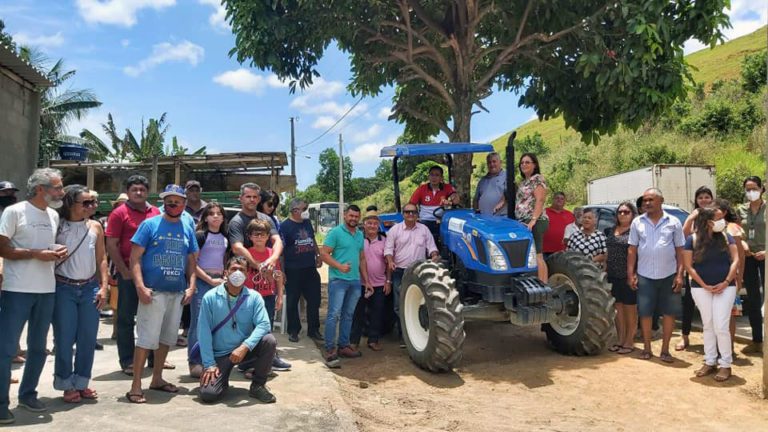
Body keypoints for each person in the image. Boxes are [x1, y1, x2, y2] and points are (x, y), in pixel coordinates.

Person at [0, 168, 66, 424]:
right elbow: (2, 248)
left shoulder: (53, 215)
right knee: (6, 349)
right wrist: (35, 253)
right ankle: (1, 404)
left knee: (38, 348)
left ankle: (28, 394)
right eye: (57, 188)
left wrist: (55, 250)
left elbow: (44, 248)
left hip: (46, 290)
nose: (61, 192)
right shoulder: (14, 212)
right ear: (41, 189)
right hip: (17, 290)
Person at [126, 184, 198, 404]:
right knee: (146, 339)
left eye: (177, 200)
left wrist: (191, 286)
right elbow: (134, 258)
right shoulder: (149, 225)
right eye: (169, 200)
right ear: (163, 202)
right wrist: (140, 286)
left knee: (166, 339)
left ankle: (157, 379)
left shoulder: (187, 227)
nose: (173, 203)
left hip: (176, 293)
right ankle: (135, 386)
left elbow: (191, 261)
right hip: (153, 292)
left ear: (184, 204)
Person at [52, 185, 108, 403]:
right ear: (70, 203)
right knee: (65, 339)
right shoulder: (57, 226)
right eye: (86, 202)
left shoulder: (95, 226)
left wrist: (104, 286)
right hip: (63, 287)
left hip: (89, 288)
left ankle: (82, 382)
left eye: (93, 202)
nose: (92, 206)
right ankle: (66, 383)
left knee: (87, 338)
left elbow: (102, 259)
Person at [197, 256, 277, 404]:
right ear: (225, 272)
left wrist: (245, 346)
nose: (237, 273)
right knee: (209, 395)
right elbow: (203, 332)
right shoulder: (210, 297)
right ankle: (221, 379)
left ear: (247, 275)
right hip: (220, 354)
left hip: (244, 350)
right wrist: (209, 364)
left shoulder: (254, 297)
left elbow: (264, 324)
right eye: (234, 269)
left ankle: (258, 385)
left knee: (269, 341)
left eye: (242, 270)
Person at [105, 175, 161, 375]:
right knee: (126, 319)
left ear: (147, 192)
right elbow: (111, 244)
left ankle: (155, 359)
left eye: (142, 189)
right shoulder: (119, 213)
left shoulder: (155, 212)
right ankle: (127, 360)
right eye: (134, 189)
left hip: (153, 274)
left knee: (154, 317)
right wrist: (123, 270)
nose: (138, 192)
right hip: (128, 274)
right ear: (128, 192)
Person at [627, 188, 685, 363]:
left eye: (651, 200)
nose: (647, 203)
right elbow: (632, 250)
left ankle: (665, 350)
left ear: (661, 201)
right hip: (645, 276)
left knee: (669, 313)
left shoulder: (673, 222)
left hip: (669, 275)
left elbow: (680, 250)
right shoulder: (637, 222)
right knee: (645, 313)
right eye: (645, 200)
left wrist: (680, 275)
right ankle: (646, 348)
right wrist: (631, 273)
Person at [683, 207, 739, 381]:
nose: (723, 221)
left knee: (721, 326)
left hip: (726, 288)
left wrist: (726, 282)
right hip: (701, 289)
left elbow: (736, 259)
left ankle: (725, 364)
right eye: (719, 218)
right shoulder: (692, 240)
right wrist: (704, 285)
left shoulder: (725, 237)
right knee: (708, 324)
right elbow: (688, 266)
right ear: (708, 222)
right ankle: (710, 360)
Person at [319, 205, 371, 367]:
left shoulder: (360, 235)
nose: (353, 219)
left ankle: (344, 346)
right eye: (351, 216)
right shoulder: (335, 233)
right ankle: (330, 348)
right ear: (344, 215)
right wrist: (339, 266)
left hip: (355, 281)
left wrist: (366, 281)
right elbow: (324, 253)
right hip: (338, 280)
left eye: (356, 216)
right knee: (334, 314)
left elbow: (362, 259)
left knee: (349, 314)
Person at [383, 202, 440, 345]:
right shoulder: (395, 230)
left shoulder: (424, 230)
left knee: (418, 303)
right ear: (403, 214)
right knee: (398, 305)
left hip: (419, 272)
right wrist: (390, 261)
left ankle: (419, 334)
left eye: (413, 212)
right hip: (400, 271)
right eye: (408, 212)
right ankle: (404, 335)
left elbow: (432, 248)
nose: (410, 215)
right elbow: (388, 250)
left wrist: (434, 255)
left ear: (417, 214)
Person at [244, 219, 290, 372]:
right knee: (250, 328)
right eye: (255, 234)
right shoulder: (247, 253)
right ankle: (249, 361)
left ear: (268, 236)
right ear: (250, 236)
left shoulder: (272, 254)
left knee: (267, 328)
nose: (259, 238)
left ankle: (268, 359)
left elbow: (278, 276)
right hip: (249, 298)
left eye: (262, 234)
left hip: (268, 296)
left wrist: (280, 296)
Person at [189, 202, 229, 378]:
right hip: (203, 281)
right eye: (211, 213)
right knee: (198, 323)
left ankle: (211, 361)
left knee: (217, 323)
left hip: (220, 281)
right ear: (205, 217)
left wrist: (223, 278)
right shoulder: (200, 236)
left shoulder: (226, 237)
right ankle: (194, 362)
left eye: (218, 213)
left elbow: (224, 260)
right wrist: (208, 280)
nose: (215, 216)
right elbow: (191, 263)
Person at [279, 198, 322, 343]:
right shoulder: (284, 226)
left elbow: (313, 239)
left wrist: (317, 254)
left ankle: (313, 330)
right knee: (292, 301)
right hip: (293, 269)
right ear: (295, 210)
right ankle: (294, 330)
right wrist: (283, 271)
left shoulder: (307, 223)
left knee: (314, 300)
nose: (306, 212)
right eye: (304, 209)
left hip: (310, 268)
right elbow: (281, 251)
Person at [676, 186, 714, 351]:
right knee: (689, 304)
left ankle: (713, 341)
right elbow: (683, 235)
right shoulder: (693, 218)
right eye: (700, 198)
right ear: (696, 200)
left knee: (713, 306)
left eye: (707, 197)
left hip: (714, 266)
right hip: (694, 267)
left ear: (712, 199)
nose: (704, 200)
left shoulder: (717, 216)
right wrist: (691, 218)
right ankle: (685, 337)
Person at [351, 210, 391, 351]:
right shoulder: (357, 239)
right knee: (358, 313)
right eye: (369, 223)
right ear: (364, 224)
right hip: (360, 283)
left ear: (378, 225)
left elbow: (388, 263)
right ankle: (354, 341)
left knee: (377, 313)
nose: (372, 226)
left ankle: (373, 340)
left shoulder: (385, 241)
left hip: (380, 284)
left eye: (375, 223)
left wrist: (388, 281)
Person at [604, 202, 638, 355]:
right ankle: (620, 339)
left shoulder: (635, 231)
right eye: (620, 212)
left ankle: (629, 341)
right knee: (617, 309)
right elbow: (608, 252)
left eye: (626, 212)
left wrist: (634, 274)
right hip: (612, 274)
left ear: (632, 214)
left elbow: (638, 254)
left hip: (628, 275)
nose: (623, 214)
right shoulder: (611, 230)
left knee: (630, 308)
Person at [738, 176, 765, 353]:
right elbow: (735, 230)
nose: (751, 192)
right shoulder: (740, 209)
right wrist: (743, 243)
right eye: (748, 189)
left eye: (754, 188)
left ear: (762, 188)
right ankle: (757, 339)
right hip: (748, 257)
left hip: (766, 256)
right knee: (754, 300)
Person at [228, 183, 283, 271]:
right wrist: (257, 265)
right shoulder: (236, 222)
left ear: (259, 199)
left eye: (255, 197)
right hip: (245, 271)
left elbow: (277, 240)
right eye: (248, 196)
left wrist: (273, 259)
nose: (252, 199)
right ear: (241, 198)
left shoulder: (266, 219)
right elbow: (237, 248)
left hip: (268, 268)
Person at [515, 153, 549, 282]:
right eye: (522, 162)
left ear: (534, 165)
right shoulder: (524, 182)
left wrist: (533, 220)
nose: (524, 164)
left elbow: (540, 200)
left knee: (538, 255)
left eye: (527, 162)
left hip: (535, 221)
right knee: (532, 255)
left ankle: (544, 286)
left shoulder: (537, 179)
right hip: (524, 221)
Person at [409, 165, 459, 240]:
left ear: (441, 178)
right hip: (425, 220)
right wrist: (415, 217)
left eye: (437, 175)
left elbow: (456, 200)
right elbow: (411, 204)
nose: (434, 177)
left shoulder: (447, 187)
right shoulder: (422, 189)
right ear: (429, 177)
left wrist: (450, 201)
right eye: (432, 175)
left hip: (442, 220)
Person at [543, 192, 575, 257]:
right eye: (557, 198)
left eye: (562, 199)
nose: (559, 200)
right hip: (545, 250)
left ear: (564, 201)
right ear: (553, 199)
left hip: (564, 251)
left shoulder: (570, 214)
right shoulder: (544, 212)